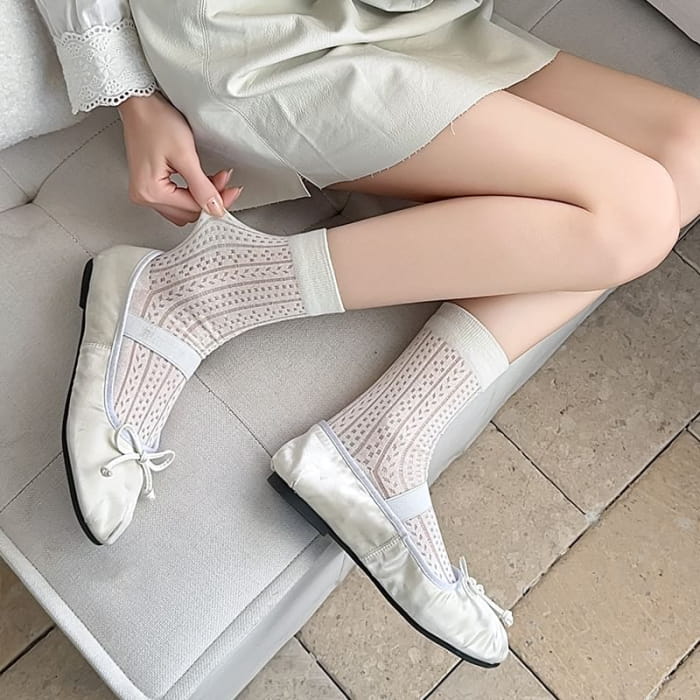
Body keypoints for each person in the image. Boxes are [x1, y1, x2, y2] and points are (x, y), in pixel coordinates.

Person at [36, 0, 700, 668]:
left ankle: (386, 432)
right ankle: (209, 294)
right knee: (634, 215)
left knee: (689, 150)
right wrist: (132, 95)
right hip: (266, 34)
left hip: (417, 21)